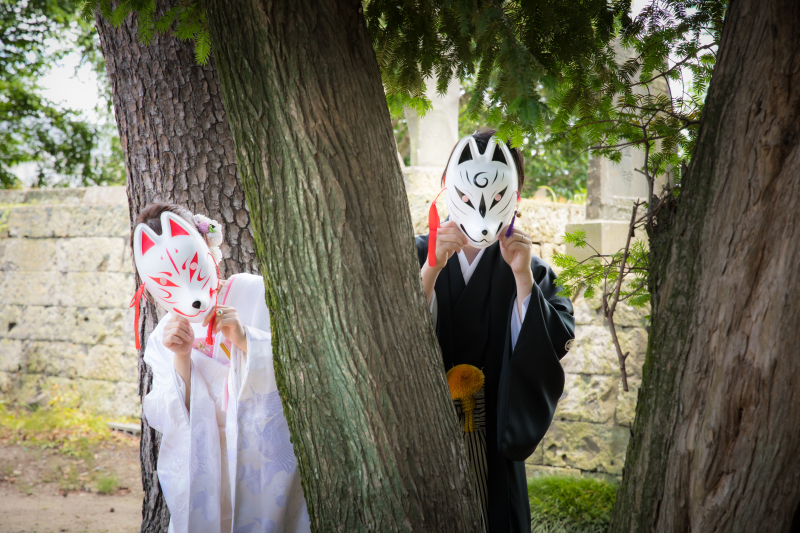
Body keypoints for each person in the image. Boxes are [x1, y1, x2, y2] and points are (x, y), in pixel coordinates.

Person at [416, 130, 575, 532]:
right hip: (418, 433)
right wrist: (431, 268)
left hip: (493, 441)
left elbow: (553, 339)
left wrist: (522, 278)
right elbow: (388, 336)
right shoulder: (415, 253)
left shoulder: (529, 268)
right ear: (446, 184)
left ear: (514, 196)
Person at [131, 203, 310, 533]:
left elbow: (305, 369)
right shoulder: (164, 336)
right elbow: (160, 416)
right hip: (207, 469)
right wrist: (181, 359)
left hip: (262, 466)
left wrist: (247, 341)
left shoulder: (255, 293)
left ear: (207, 247)